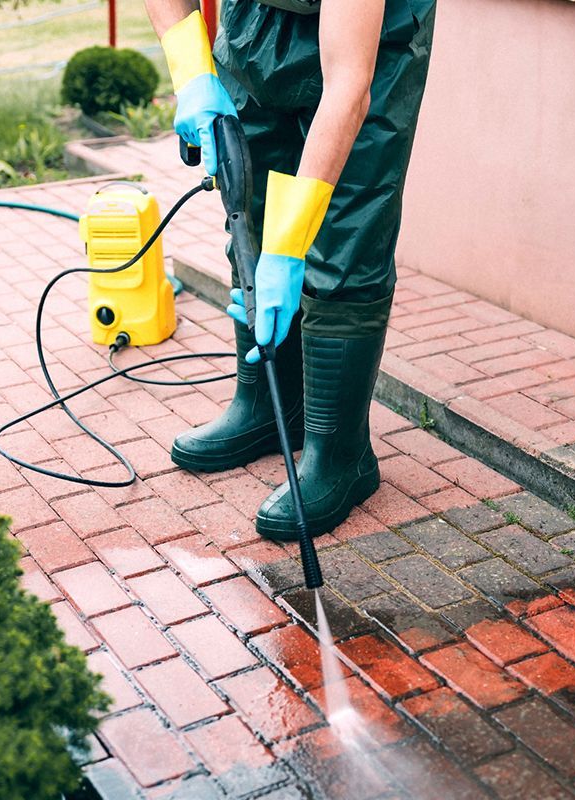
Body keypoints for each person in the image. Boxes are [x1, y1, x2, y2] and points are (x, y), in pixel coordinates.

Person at [145, 0, 436, 540]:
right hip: (257, 24)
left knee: (346, 230)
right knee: (249, 202)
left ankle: (340, 452)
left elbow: (348, 83)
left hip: (372, 38)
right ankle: (263, 404)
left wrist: (290, 247)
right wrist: (189, 71)